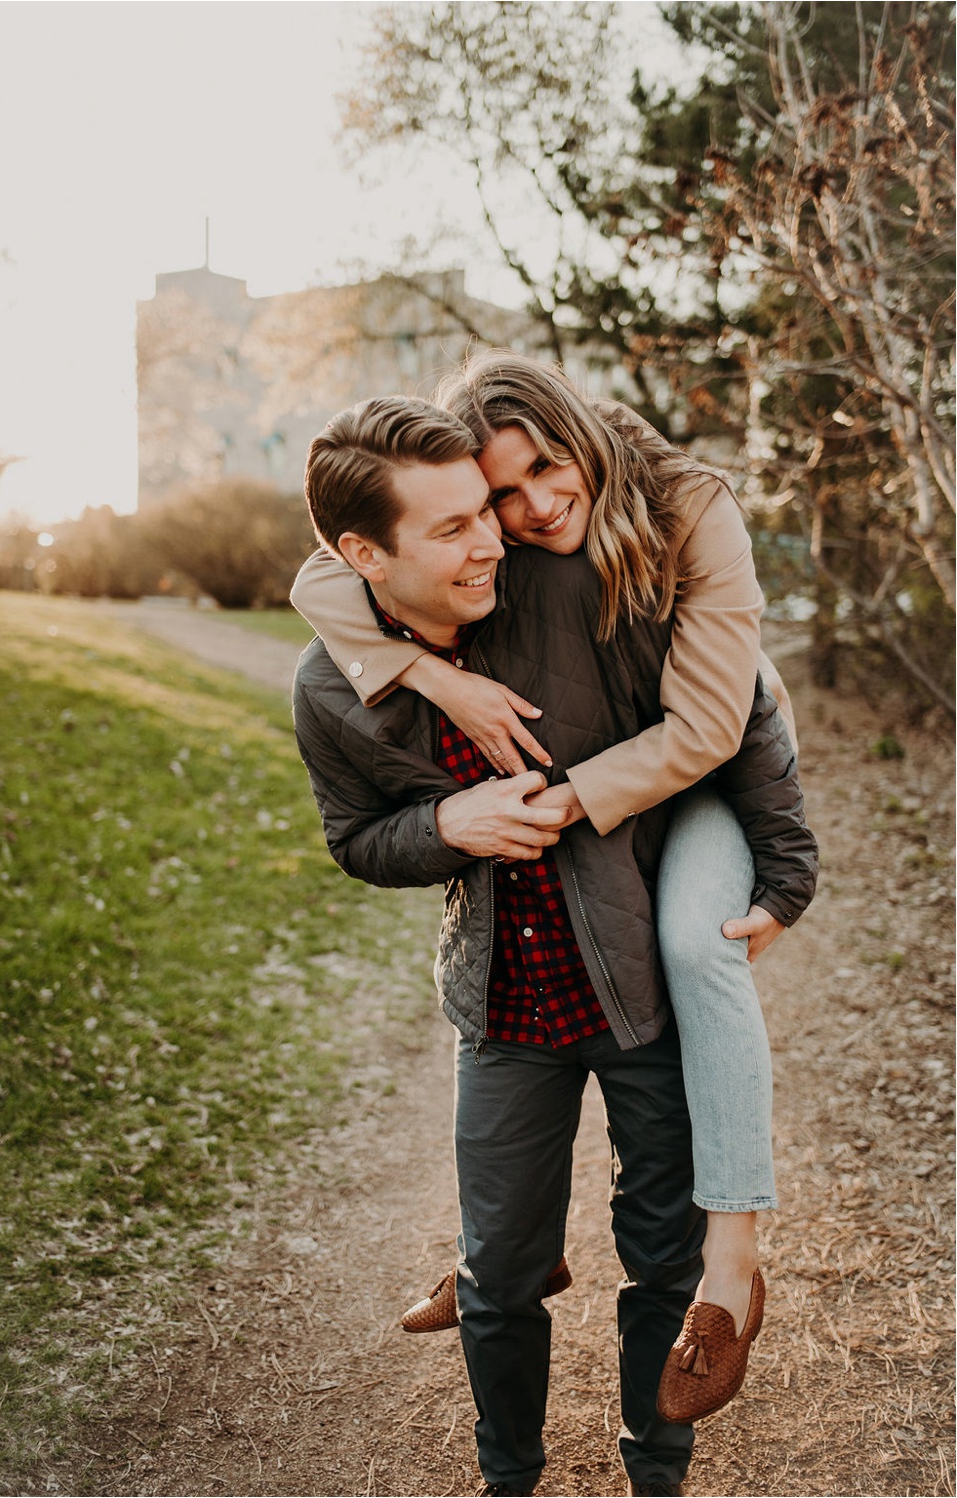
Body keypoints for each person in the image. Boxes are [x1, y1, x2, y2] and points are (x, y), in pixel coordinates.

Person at [289, 397, 816, 1497]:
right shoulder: (325, 688)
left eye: (485, 509)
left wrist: (783, 867)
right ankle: (507, 1479)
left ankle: (654, 1476)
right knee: (498, 1278)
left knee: (658, 1257)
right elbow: (355, 840)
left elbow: (739, 710)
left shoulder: (561, 582)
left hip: (635, 993)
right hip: (501, 1012)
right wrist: (444, 826)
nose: (494, 534)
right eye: (454, 527)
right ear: (361, 557)